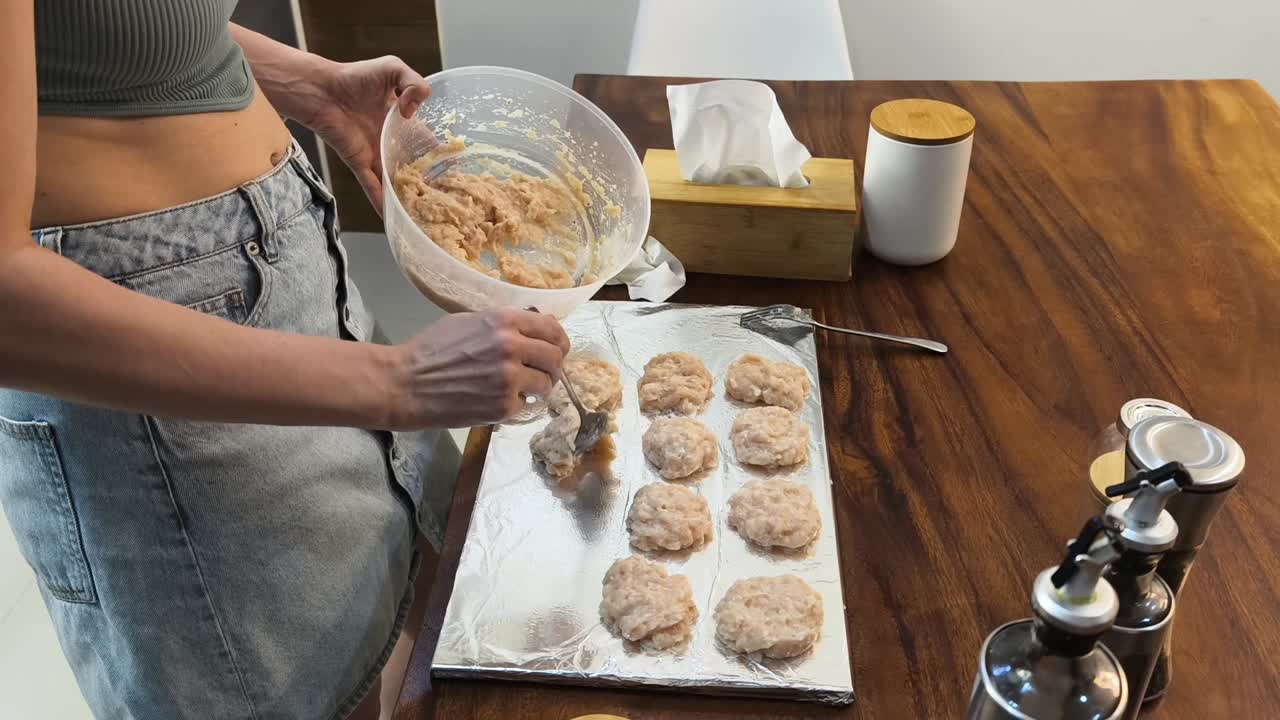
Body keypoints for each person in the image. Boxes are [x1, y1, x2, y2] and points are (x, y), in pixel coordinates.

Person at [0, 2, 569, 718]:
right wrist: (397, 381)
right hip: (150, 369)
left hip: (296, 282)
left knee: (408, 627)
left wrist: (303, 81)